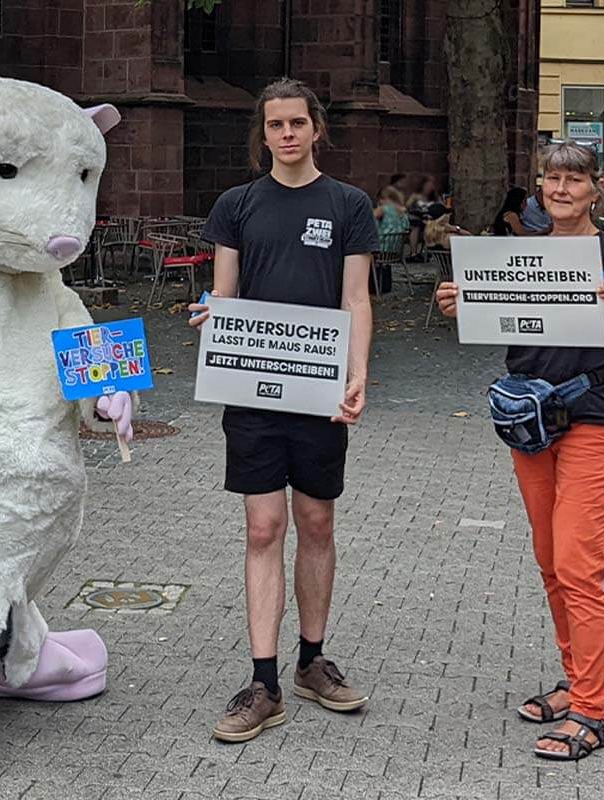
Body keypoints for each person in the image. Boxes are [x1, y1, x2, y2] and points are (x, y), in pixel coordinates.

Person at [435, 142, 604, 762]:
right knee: (552, 562)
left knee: (579, 566)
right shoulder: (516, 253)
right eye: (552, 178)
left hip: (594, 421)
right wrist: (461, 304)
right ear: (540, 187)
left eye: (573, 179)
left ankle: (591, 711)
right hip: (531, 424)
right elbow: (503, 316)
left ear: (594, 189)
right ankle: (574, 679)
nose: (561, 189)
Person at [188, 78, 376, 743]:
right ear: (262, 133)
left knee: (316, 521)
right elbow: (223, 294)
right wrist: (212, 317)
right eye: (276, 125)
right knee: (264, 529)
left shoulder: (349, 205)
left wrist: (357, 373)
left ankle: (311, 661)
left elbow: (356, 299)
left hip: (320, 391)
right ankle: (263, 681)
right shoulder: (237, 205)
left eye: (297, 123)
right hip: (254, 394)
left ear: (315, 127)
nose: (288, 135)